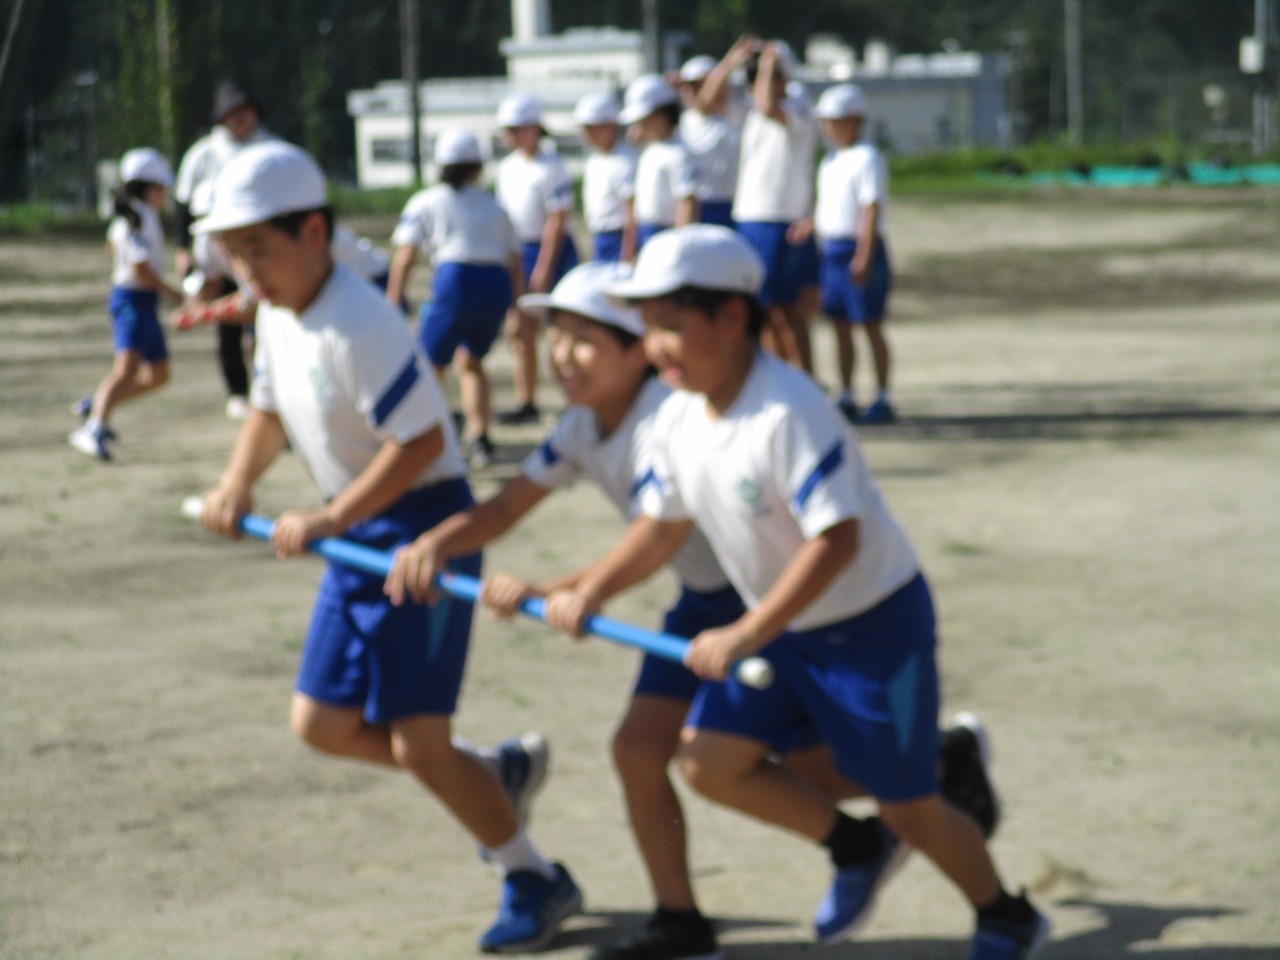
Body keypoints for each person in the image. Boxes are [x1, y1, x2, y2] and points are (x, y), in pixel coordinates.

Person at [385, 260, 1003, 960]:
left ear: (633, 352)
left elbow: (681, 535)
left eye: (585, 340)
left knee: (823, 774)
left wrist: (577, 588)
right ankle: (685, 919)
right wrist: (445, 545)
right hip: (711, 607)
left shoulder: (683, 413)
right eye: (555, 338)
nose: (561, 357)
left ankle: (932, 801)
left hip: (761, 605)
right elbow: (541, 510)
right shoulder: (593, 424)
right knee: (647, 751)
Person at [541, 226, 1050, 959]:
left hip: (869, 627)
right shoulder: (679, 415)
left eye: (674, 326)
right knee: (707, 763)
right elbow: (660, 529)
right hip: (787, 629)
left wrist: (747, 632)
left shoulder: (787, 409)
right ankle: (857, 844)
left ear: (733, 318)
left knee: (908, 805)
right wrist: (589, 589)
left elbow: (835, 541)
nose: (659, 347)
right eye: (651, 328)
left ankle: (1004, 915)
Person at [191, 140, 582, 954]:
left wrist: (332, 519)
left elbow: (415, 443)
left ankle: (533, 876)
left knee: (417, 742)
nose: (248, 271)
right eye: (235, 254)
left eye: (259, 250)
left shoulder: (360, 319)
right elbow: (266, 409)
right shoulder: (275, 312)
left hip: (423, 533)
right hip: (357, 531)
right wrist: (237, 485)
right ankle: (493, 772)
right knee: (322, 724)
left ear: (315, 233)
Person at [385, 128, 524, 468]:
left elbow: (405, 255)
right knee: (473, 362)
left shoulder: (426, 201)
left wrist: (393, 300)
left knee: (430, 367)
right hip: (495, 284)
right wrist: (517, 306)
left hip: (456, 279)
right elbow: (514, 260)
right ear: (477, 167)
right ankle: (481, 438)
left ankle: (432, 439)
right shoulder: (494, 205)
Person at [173, 79, 278, 420]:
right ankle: (242, 392)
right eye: (232, 114)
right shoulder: (203, 154)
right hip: (239, 266)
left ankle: (271, 392)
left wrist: (200, 312)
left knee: (267, 321)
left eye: (244, 112)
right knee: (236, 329)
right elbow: (183, 204)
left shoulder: (271, 148)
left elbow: (245, 304)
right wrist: (196, 306)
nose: (240, 120)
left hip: (265, 249)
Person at [69, 148, 183, 461]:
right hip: (132, 300)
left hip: (144, 302)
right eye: (163, 188)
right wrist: (176, 295)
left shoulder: (137, 216)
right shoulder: (137, 219)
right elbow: (140, 269)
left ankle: (98, 404)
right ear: (150, 188)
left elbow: (111, 248)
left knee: (159, 374)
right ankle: (93, 429)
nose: (165, 195)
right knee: (127, 369)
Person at [724, 39, 820, 373]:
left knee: (785, 309)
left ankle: (804, 377)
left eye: (768, 75)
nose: (757, 84)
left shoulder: (799, 112)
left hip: (781, 218)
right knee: (760, 309)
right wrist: (733, 60)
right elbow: (706, 102)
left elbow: (768, 106)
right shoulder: (749, 113)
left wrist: (769, 62)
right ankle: (774, 374)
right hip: (751, 217)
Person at [494, 93, 579, 426]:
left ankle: (574, 395)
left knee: (562, 330)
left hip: (550, 252)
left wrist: (544, 266)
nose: (511, 136)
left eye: (517, 128)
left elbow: (557, 220)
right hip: (519, 251)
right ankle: (526, 399)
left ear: (534, 129)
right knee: (521, 331)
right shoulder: (507, 168)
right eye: (508, 130)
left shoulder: (552, 167)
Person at [814, 84, 896, 425]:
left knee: (870, 323)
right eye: (825, 121)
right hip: (830, 249)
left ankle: (882, 396)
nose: (827, 128)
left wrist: (864, 255)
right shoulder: (831, 160)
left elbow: (869, 208)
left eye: (834, 121)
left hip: (859, 247)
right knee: (840, 325)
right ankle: (846, 394)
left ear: (854, 121)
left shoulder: (868, 158)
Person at [619, 74, 699, 252]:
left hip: (668, 234)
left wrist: (681, 246)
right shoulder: (649, 150)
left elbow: (687, 202)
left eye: (644, 119)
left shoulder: (680, 153)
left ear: (662, 115)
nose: (639, 125)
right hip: (646, 231)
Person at [674, 54, 741, 230]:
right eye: (687, 86)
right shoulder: (683, 122)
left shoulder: (734, 116)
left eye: (698, 85)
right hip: (697, 206)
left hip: (731, 206)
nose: (690, 91)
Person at [574, 93, 638, 264]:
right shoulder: (594, 160)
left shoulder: (626, 160)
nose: (587, 134)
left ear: (611, 126)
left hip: (619, 237)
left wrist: (628, 253)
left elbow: (632, 212)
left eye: (592, 127)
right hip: (600, 237)